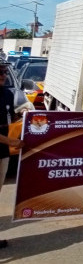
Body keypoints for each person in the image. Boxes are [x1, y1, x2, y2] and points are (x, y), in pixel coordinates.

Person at [0, 63, 24, 248]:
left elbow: (11, 119)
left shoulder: (7, 94)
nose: (2, 75)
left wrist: (26, 118)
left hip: (2, 154)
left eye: (3, 72)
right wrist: (11, 142)